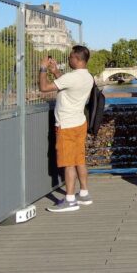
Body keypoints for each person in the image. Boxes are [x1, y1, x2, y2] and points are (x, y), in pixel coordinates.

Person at [39, 46, 95, 213]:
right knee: (79, 159)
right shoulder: (88, 77)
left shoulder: (71, 77)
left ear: (77, 59)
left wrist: (43, 68)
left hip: (66, 124)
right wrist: (56, 72)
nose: (68, 60)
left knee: (68, 162)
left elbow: (44, 87)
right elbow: (67, 85)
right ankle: (84, 194)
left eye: (70, 58)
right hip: (79, 122)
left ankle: (70, 199)